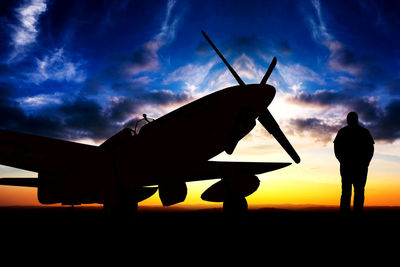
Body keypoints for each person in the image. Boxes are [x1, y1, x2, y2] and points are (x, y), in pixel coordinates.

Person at [333, 112, 374, 213]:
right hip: (351, 167)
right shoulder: (344, 132)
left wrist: (366, 163)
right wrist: (342, 160)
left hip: (357, 167)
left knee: (356, 192)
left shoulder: (362, 132)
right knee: (351, 192)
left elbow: (370, 149)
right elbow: (337, 148)